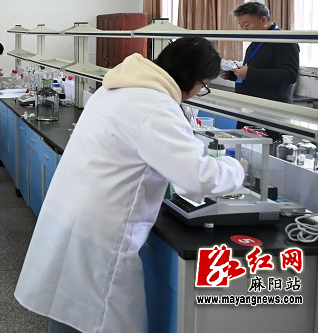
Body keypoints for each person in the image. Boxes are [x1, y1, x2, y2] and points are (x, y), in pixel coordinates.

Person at [15, 37, 245, 333]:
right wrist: (236, 168)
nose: (198, 92)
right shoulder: (157, 107)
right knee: (91, 314)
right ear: (192, 77)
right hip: (101, 232)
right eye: (204, 85)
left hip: (72, 214)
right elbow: (198, 178)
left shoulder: (117, 89)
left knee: (70, 310)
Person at [220, 1, 299, 140]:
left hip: (271, 112)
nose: (244, 30)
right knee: (244, 148)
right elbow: (255, 70)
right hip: (249, 109)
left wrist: (250, 73)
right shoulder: (256, 41)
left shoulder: (284, 41)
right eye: (241, 26)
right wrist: (232, 75)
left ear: (263, 20)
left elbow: (289, 74)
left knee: (268, 149)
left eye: (247, 25)